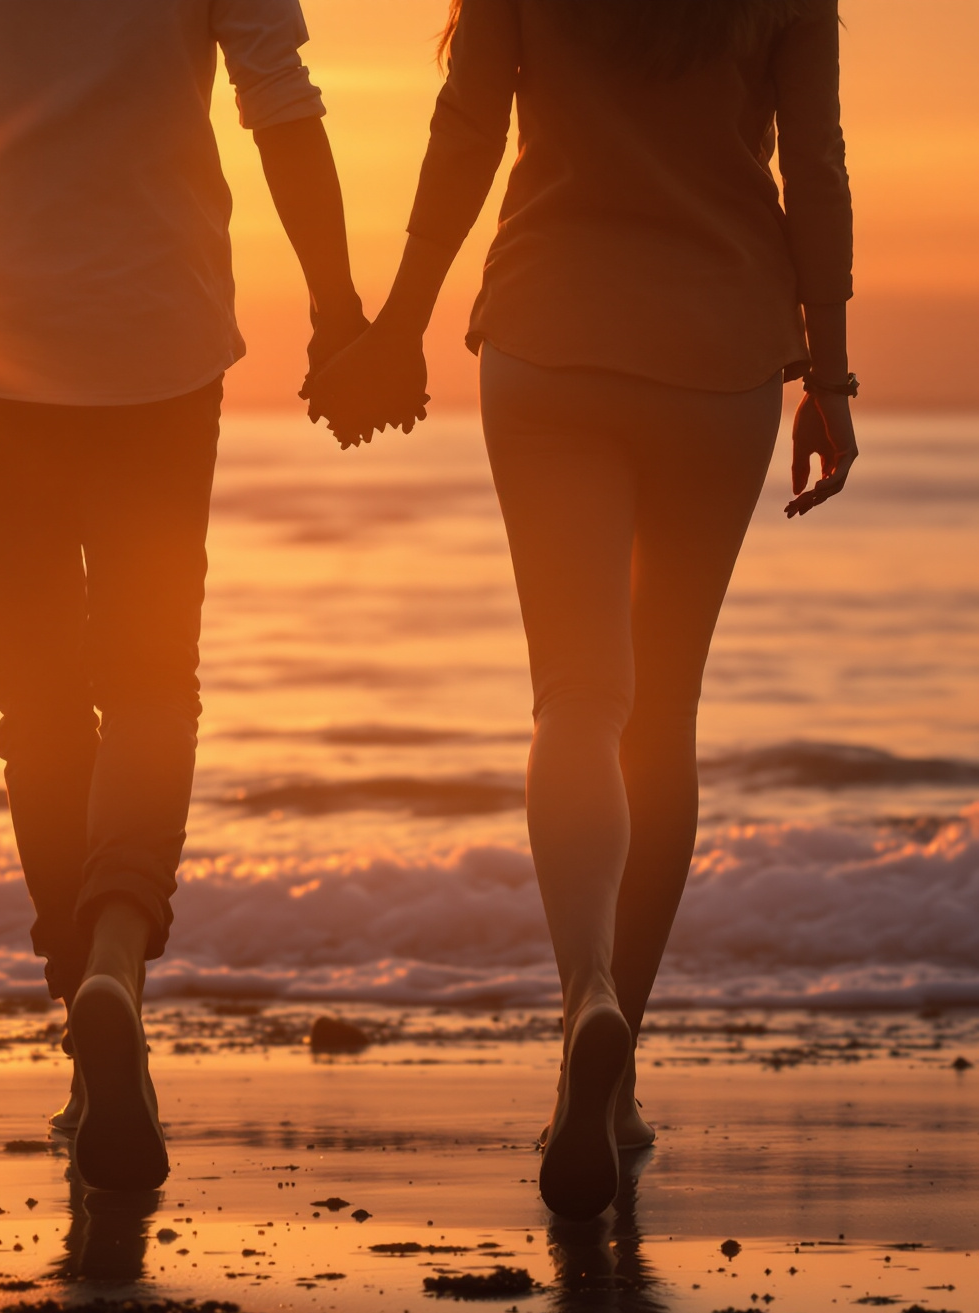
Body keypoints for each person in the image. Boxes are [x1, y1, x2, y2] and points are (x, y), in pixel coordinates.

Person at [306, 0, 858, 1219]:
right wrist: (830, 374)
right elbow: (814, 164)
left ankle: (585, 999)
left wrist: (398, 324)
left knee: (576, 696)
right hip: (718, 347)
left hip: (550, 333)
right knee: (660, 712)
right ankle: (609, 1077)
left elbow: (466, 127)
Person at [0, 0, 368, 1191]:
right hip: (156, 338)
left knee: (36, 704)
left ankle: (86, 1036)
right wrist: (336, 309)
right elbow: (280, 102)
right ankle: (115, 967)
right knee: (149, 686)